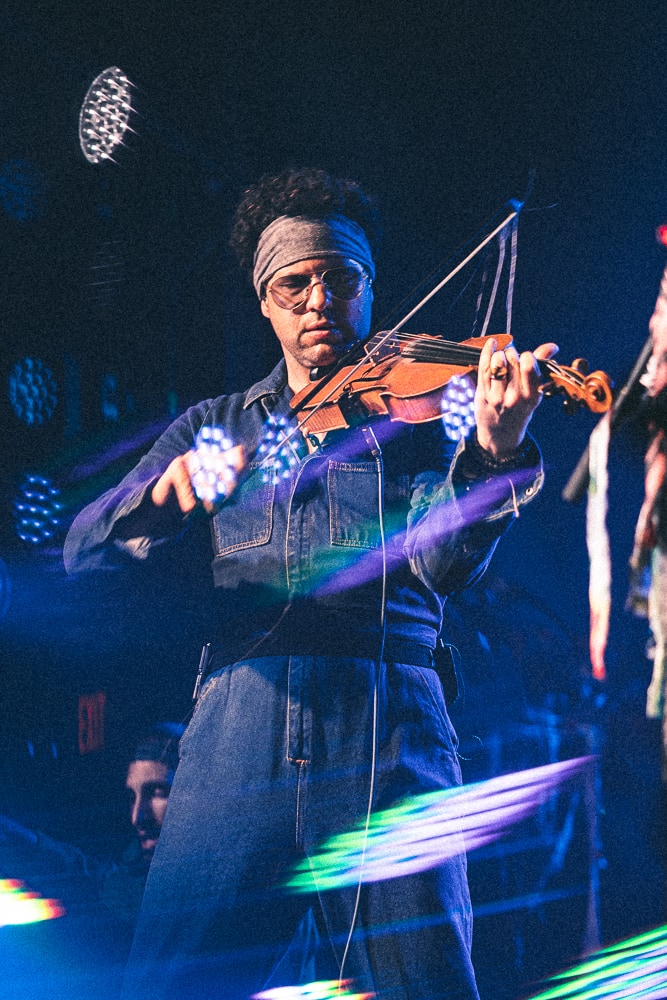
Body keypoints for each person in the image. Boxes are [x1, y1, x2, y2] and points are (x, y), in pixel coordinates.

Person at [64, 167, 558, 1000]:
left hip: (388, 720)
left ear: (369, 289)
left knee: (426, 981)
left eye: (341, 279)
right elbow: (84, 552)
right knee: (171, 982)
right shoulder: (214, 425)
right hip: (239, 729)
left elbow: (443, 566)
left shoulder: (425, 417)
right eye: (294, 284)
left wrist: (494, 452)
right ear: (265, 301)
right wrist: (162, 498)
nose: (319, 301)